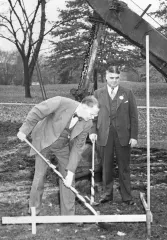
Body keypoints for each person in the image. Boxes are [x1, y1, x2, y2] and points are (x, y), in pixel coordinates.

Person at [17, 96, 99, 216]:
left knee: (68, 177)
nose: (92, 118)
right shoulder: (60, 102)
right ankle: (34, 212)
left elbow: (77, 148)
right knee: (40, 175)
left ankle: (68, 216)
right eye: (91, 114)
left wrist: (70, 172)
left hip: (62, 144)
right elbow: (37, 111)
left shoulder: (87, 122)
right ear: (84, 107)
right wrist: (24, 130)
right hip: (44, 139)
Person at [89, 66, 138, 205]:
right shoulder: (98, 94)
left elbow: (133, 116)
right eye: (111, 78)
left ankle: (127, 197)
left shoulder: (128, 93)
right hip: (104, 134)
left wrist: (133, 136)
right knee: (106, 166)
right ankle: (107, 195)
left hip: (124, 135)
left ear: (119, 78)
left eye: (117, 78)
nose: (114, 81)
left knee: (124, 167)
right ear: (106, 77)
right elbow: (93, 115)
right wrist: (92, 131)